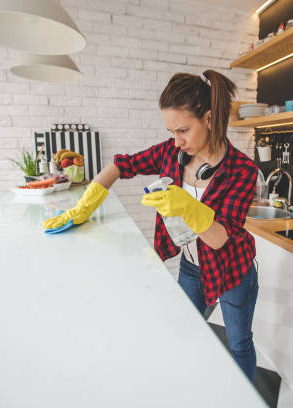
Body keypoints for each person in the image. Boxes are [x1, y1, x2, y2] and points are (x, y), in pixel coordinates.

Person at [42, 70, 259, 381]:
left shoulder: (242, 170)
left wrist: (188, 206)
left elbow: (219, 239)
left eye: (183, 130)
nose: (177, 140)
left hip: (233, 269)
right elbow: (120, 166)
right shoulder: (172, 153)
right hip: (192, 267)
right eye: (171, 131)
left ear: (209, 118)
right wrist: (83, 207)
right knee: (184, 331)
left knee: (239, 343)